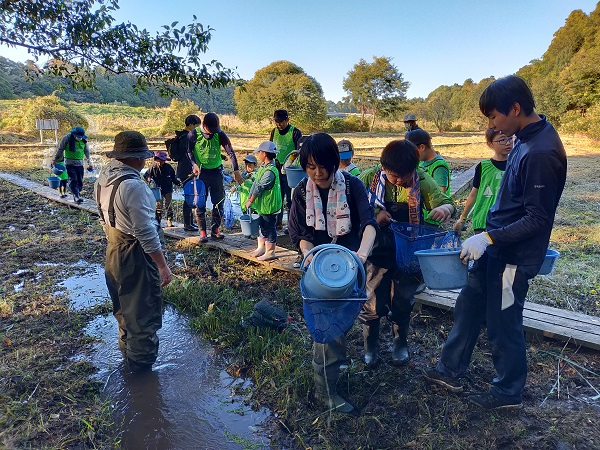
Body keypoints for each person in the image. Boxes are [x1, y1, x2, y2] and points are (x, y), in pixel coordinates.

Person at [423, 75, 567, 410]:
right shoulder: (522, 139)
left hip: (512, 259)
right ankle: (450, 369)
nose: (492, 125)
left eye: (493, 117)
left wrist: (487, 237)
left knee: (503, 320)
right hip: (494, 248)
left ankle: (507, 392)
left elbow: (537, 219)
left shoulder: (541, 152)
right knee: (470, 305)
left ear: (515, 109)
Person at [288, 132, 378, 413]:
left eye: (323, 166)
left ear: (335, 161)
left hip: (349, 267)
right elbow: (300, 234)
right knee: (326, 333)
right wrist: (310, 256)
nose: (318, 173)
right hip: (319, 272)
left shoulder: (352, 186)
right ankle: (324, 394)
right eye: (310, 167)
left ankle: (336, 364)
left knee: (344, 323)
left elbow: (369, 224)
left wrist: (361, 257)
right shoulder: (302, 191)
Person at [359, 140, 455, 367]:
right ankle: (370, 345)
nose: (400, 181)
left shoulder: (421, 179)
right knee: (371, 297)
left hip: (408, 251)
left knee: (403, 299)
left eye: (406, 175)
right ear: (383, 168)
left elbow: (448, 202)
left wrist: (444, 209)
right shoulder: (368, 178)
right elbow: (353, 204)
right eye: (394, 176)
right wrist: (374, 217)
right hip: (377, 248)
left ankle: (400, 342)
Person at [94, 131, 173, 373]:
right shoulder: (133, 186)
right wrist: (162, 265)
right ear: (137, 159)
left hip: (113, 251)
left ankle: (127, 361)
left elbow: (103, 218)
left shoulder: (103, 179)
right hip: (136, 256)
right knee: (142, 316)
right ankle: (141, 377)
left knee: (124, 313)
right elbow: (145, 231)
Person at [187, 112, 244, 243]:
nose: (213, 133)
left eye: (215, 130)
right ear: (204, 125)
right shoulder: (193, 134)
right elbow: (189, 151)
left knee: (218, 202)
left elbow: (230, 152)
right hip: (201, 173)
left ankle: (215, 230)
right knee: (200, 203)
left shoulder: (220, 134)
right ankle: (202, 232)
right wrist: (194, 164)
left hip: (216, 172)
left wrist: (236, 171)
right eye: (210, 130)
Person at [453, 129, 512, 234]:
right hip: (483, 222)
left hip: (507, 222)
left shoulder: (516, 165)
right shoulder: (483, 166)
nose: (508, 143)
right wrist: (462, 218)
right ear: (490, 144)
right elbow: (473, 194)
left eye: (510, 138)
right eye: (502, 140)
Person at [245, 141, 282, 261]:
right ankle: (261, 247)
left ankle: (270, 252)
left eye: (259, 152)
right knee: (261, 226)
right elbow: (255, 184)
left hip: (269, 205)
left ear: (265, 154)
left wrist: (251, 200)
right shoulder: (263, 167)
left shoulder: (270, 171)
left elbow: (260, 187)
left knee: (269, 227)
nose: (258, 154)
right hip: (262, 205)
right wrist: (249, 198)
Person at [269, 109, 303, 232]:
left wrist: (289, 164)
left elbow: (299, 151)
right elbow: (271, 149)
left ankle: (290, 225)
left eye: (281, 122)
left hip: (290, 170)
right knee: (278, 197)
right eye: (276, 122)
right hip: (276, 169)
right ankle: (278, 223)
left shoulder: (295, 132)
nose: (278, 125)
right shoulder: (274, 132)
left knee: (290, 199)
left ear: (287, 120)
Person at [52, 126, 93, 203]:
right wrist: (55, 160)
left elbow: (87, 151)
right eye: (78, 136)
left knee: (80, 180)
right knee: (73, 179)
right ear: (74, 135)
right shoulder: (66, 138)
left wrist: (89, 162)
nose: (79, 138)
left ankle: (77, 193)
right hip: (69, 164)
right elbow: (60, 149)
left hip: (80, 163)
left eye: (80, 137)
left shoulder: (84, 140)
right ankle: (76, 196)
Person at [175, 115, 201, 232]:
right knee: (189, 197)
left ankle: (189, 223)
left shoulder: (183, 136)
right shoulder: (186, 137)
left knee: (190, 196)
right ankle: (187, 224)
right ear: (191, 124)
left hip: (185, 169)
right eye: (196, 126)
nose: (197, 128)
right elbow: (189, 154)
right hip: (186, 171)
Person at [406, 129, 450, 194]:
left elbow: (440, 194)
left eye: (412, 151)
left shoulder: (439, 167)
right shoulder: (421, 162)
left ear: (422, 147)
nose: (411, 154)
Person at [145, 151, 180, 227]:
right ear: (156, 160)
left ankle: (169, 220)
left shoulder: (169, 168)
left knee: (169, 205)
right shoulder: (153, 168)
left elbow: (173, 178)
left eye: (162, 161)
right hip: (158, 190)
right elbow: (146, 175)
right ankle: (158, 221)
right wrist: (149, 178)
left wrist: (178, 183)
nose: (160, 162)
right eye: (158, 160)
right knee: (158, 206)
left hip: (168, 189)